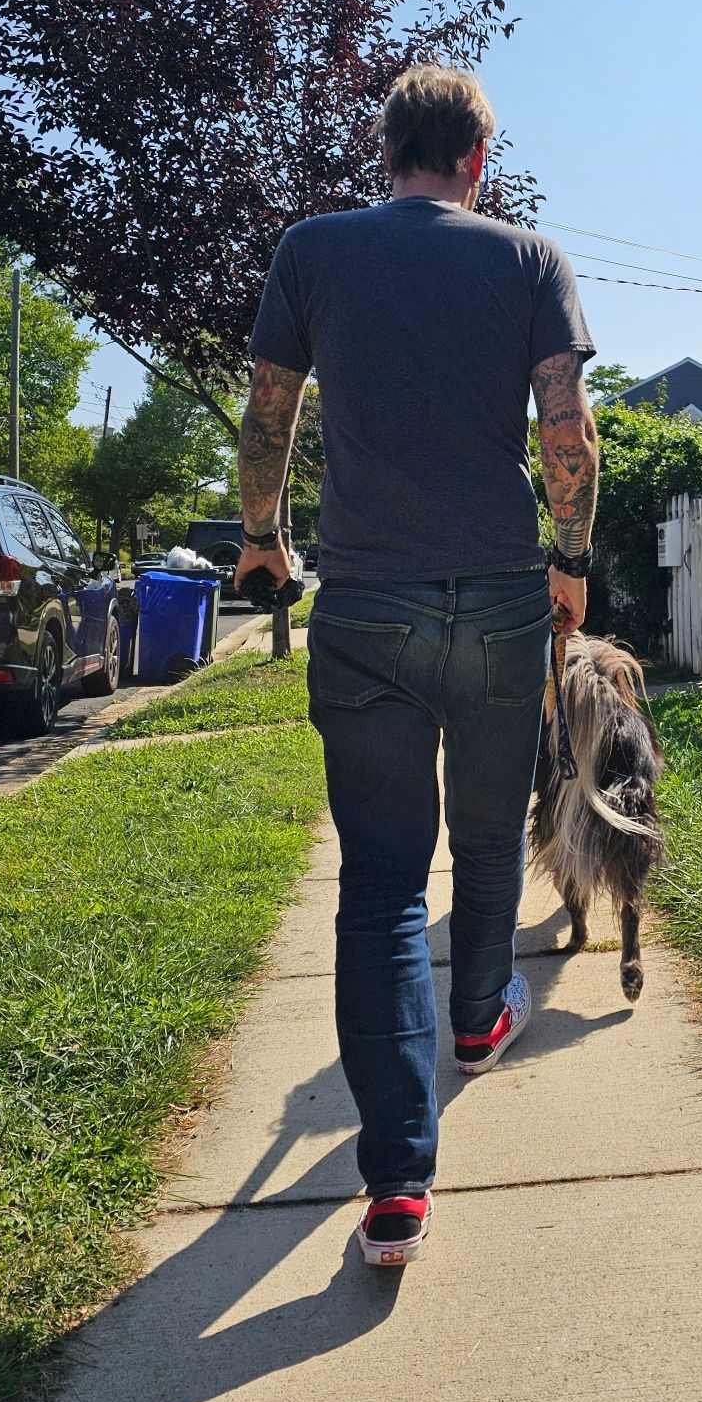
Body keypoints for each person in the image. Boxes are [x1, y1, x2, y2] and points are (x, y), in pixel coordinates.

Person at [234, 65, 598, 1266]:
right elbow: (565, 427)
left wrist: (261, 537)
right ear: (478, 161)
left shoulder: (313, 250)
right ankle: (485, 1016)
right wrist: (573, 556)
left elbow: (269, 412)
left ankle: (395, 1182)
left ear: (386, 148)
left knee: (384, 881)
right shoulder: (529, 259)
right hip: (499, 593)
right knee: (489, 836)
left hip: (370, 597)